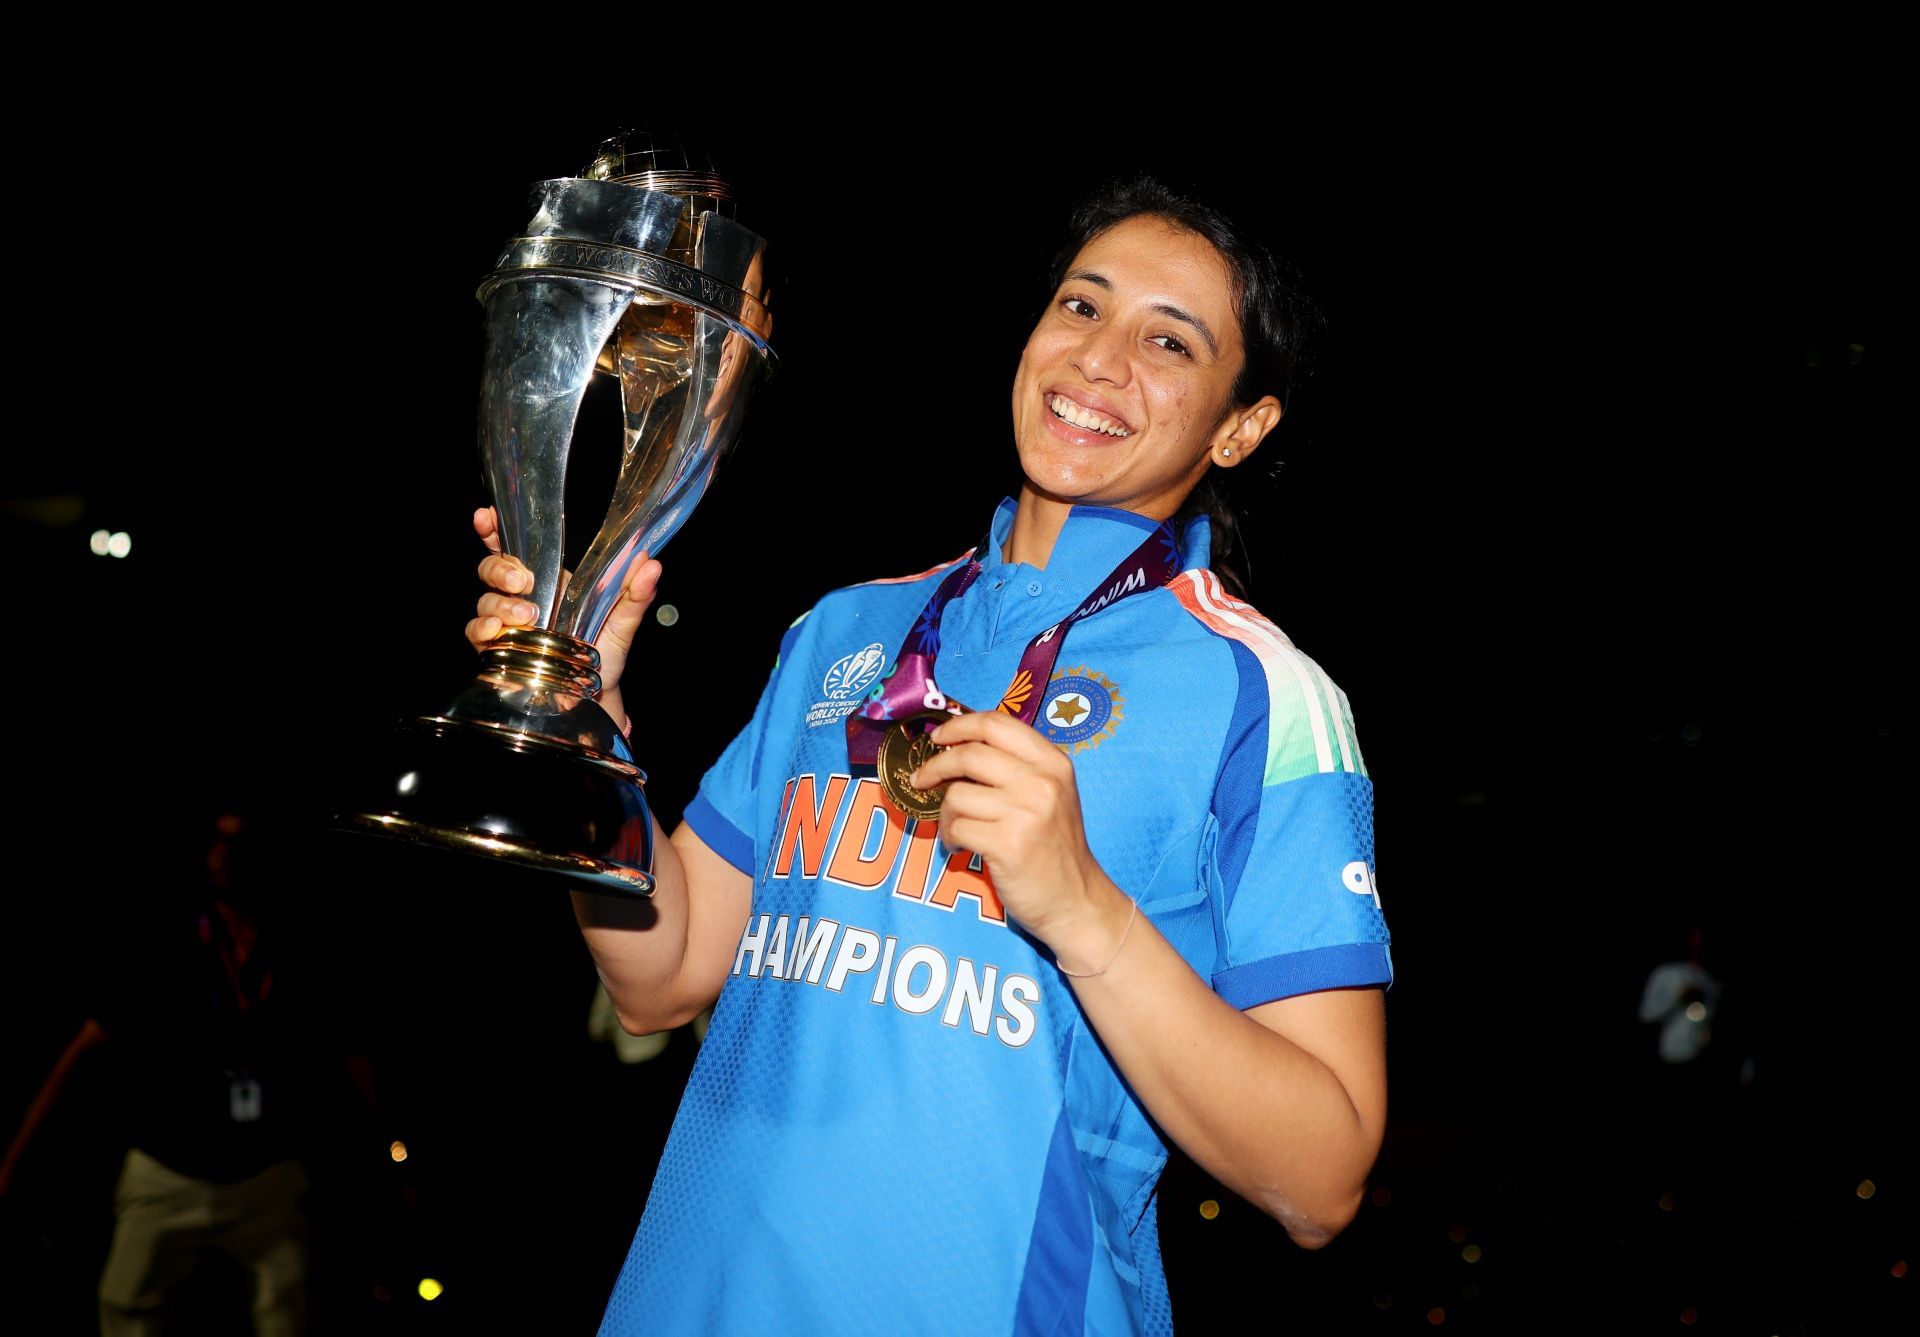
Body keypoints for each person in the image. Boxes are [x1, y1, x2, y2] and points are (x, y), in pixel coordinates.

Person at [468, 171, 1392, 1334]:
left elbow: (1321, 1179)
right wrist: (582, 727)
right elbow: (662, 974)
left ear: (1241, 423)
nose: (1101, 358)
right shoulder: (846, 627)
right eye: (1081, 306)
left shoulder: (1269, 696)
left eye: (1170, 339)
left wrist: (1086, 909)